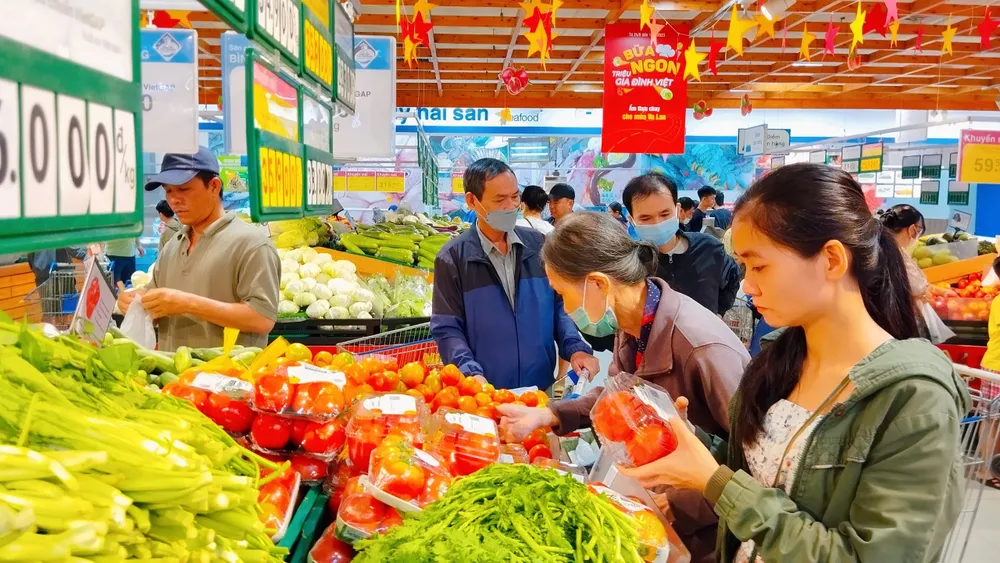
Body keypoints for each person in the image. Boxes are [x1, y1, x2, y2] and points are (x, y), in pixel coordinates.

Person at [618, 163, 969, 563]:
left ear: (832, 260)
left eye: (760, 265)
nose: (747, 286)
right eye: (745, 268)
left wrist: (717, 483)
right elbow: (769, 474)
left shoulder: (914, 400)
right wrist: (691, 443)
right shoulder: (777, 362)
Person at [496, 211, 749, 563]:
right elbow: (619, 394)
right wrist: (547, 415)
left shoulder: (701, 348)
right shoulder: (634, 322)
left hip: (707, 535)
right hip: (660, 516)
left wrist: (678, 502)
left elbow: (753, 461)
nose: (566, 310)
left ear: (597, 284)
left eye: (563, 295)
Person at [431, 158, 598, 390]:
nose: (510, 206)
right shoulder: (453, 259)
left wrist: (575, 348)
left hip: (539, 391)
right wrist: (469, 372)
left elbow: (561, 306)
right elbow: (447, 327)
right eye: (500, 199)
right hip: (483, 393)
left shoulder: (540, 247)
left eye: (514, 197)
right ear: (472, 201)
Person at [117, 147, 280, 350]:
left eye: (184, 189)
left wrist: (188, 303)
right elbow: (157, 306)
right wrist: (136, 302)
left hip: (228, 377)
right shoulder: (173, 246)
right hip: (175, 377)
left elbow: (262, 318)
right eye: (168, 191)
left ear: (213, 186)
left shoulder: (252, 244)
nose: (174, 200)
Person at [623, 173, 741, 315]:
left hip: (703, 335)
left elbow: (733, 278)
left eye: (665, 214)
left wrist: (717, 313)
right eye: (645, 218)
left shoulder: (709, 248)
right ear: (632, 220)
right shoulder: (632, 263)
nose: (657, 223)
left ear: (678, 210)